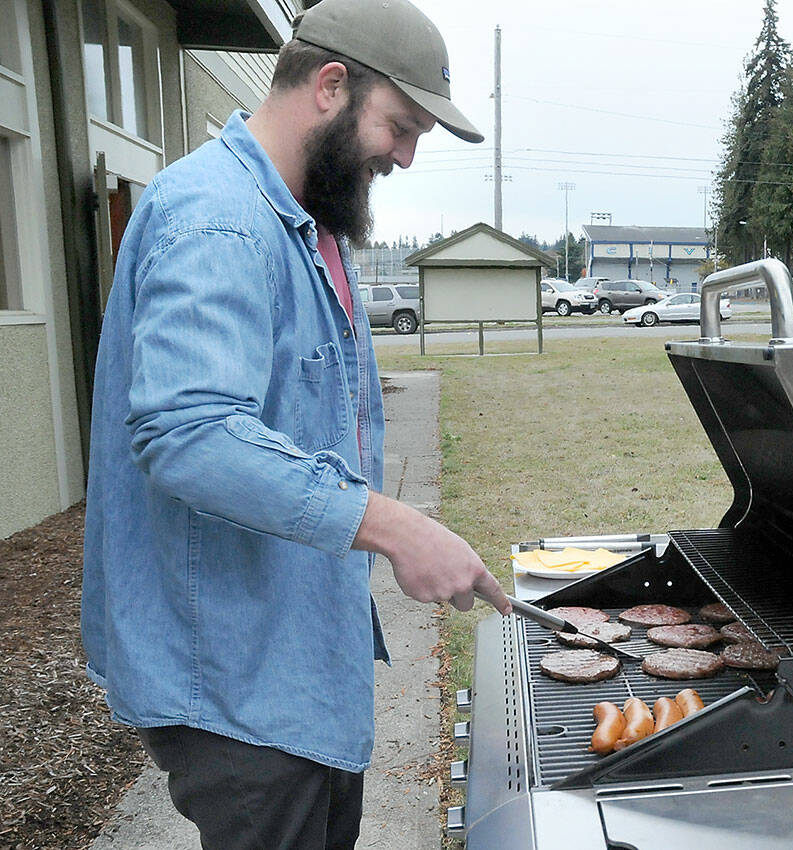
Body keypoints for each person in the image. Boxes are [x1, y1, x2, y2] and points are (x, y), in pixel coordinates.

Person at [80, 0, 512, 846]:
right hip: (238, 686)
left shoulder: (309, 224)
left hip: (298, 660)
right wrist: (394, 527)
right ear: (331, 85)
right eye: (401, 124)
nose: (407, 154)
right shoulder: (216, 218)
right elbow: (188, 432)